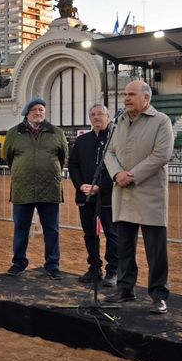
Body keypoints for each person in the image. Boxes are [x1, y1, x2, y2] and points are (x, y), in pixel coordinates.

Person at [102, 81, 174, 313]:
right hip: (122, 192)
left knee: (156, 250)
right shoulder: (118, 122)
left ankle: (158, 294)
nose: (126, 98)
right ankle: (125, 289)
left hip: (149, 193)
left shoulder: (161, 121)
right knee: (124, 247)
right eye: (124, 94)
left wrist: (131, 175)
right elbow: (109, 153)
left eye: (131, 94)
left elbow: (161, 155)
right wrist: (116, 174)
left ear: (146, 98)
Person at [3, 97, 68, 280]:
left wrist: (51, 173)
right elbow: (8, 158)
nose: (38, 113)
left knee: (52, 229)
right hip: (23, 188)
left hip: (50, 188)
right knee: (21, 228)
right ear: (27, 113)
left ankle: (52, 264)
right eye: (34, 110)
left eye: (41, 110)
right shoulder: (14, 133)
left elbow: (63, 157)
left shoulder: (56, 132)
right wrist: (21, 172)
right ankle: (18, 262)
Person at [67, 104, 119, 287]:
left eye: (100, 114)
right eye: (93, 115)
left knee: (112, 234)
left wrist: (100, 187)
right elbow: (73, 165)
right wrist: (81, 185)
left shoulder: (115, 138)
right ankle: (94, 268)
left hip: (107, 197)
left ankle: (113, 271)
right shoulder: (82, 141)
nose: (96, 118)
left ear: (107, 116)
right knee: (90, 233)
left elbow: (117, 167)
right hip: (85, 196)